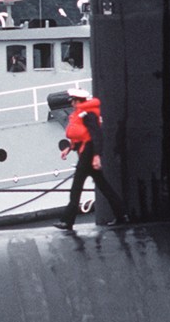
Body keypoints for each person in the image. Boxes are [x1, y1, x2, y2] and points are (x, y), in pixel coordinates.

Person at [55, 89, 129, 228]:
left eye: (73, 100)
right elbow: (80, 135)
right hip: (85, 151)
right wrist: (69, 148)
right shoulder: (79, 114)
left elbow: (96, 135)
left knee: (77, 186)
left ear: (78, 101)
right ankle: (121, 214)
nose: (71, 103)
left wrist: (96, 156)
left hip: (88, 152)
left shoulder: (88, 113)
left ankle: (67, 220)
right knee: (103, 186)